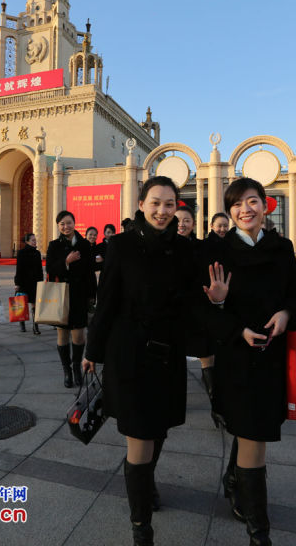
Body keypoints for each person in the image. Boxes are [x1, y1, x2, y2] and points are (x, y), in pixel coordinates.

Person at [83, 177, 217, 546]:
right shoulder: (121, 246)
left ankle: (146, 484)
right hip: (129, 355)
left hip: (168, 354)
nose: (162, 211)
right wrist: (92, 351)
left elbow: (194, 302)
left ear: (178, 208)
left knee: (159, 431)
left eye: (169, 204)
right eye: (155, 203)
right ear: (141, 204)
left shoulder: (186, 250)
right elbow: (106, 301)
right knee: (140, 438)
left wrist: (215, 301)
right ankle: (141, 526)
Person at [200, 177, 296, 546]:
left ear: (265, 206)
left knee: (251, 433)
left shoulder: (281, 247)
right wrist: (221, 308)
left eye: (252, 201)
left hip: (272, 360)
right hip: (237, 360)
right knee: (254, 440)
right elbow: (206, 315)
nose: (245, 209)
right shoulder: (219, 251)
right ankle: (259, 533)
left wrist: (285, 315)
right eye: (237, 204)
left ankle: (233, 481)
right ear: (229, 212)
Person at [176, 205, 218, 422]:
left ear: (193, 223)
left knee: (206, 355)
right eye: (178, 220)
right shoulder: (163, 247)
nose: (182, 224)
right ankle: (173, 404)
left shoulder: (203, 247)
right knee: (173, 358)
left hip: (199, 308)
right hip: (172, 312)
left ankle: (216, 404)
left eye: (186, 220)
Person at [46, 211, 96, 387]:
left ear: (74, 223)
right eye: (62, 224)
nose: (65, 227)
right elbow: (50, 269)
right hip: (61, 296)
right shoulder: (53, 245)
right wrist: (66, 262)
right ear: (58, 226)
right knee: (62, 334)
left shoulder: (84, 244)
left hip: (79, 296)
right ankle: (66, 371)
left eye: (68, 223)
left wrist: (92, 295)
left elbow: (90, 271)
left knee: (79, 335)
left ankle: (76, 368)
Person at [14, 233, 44, 334]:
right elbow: (19, 269)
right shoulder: (21, 253)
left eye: (35, 240)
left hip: (35, 282)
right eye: (33, 240)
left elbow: (40, 269)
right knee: (21, 303)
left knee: (34, 304)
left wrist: (41, 282)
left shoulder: (37, 253)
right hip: (23, 281)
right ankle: (22, 323)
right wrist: (17, 283)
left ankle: (36, 326)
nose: (35, 241)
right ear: (27, 242)